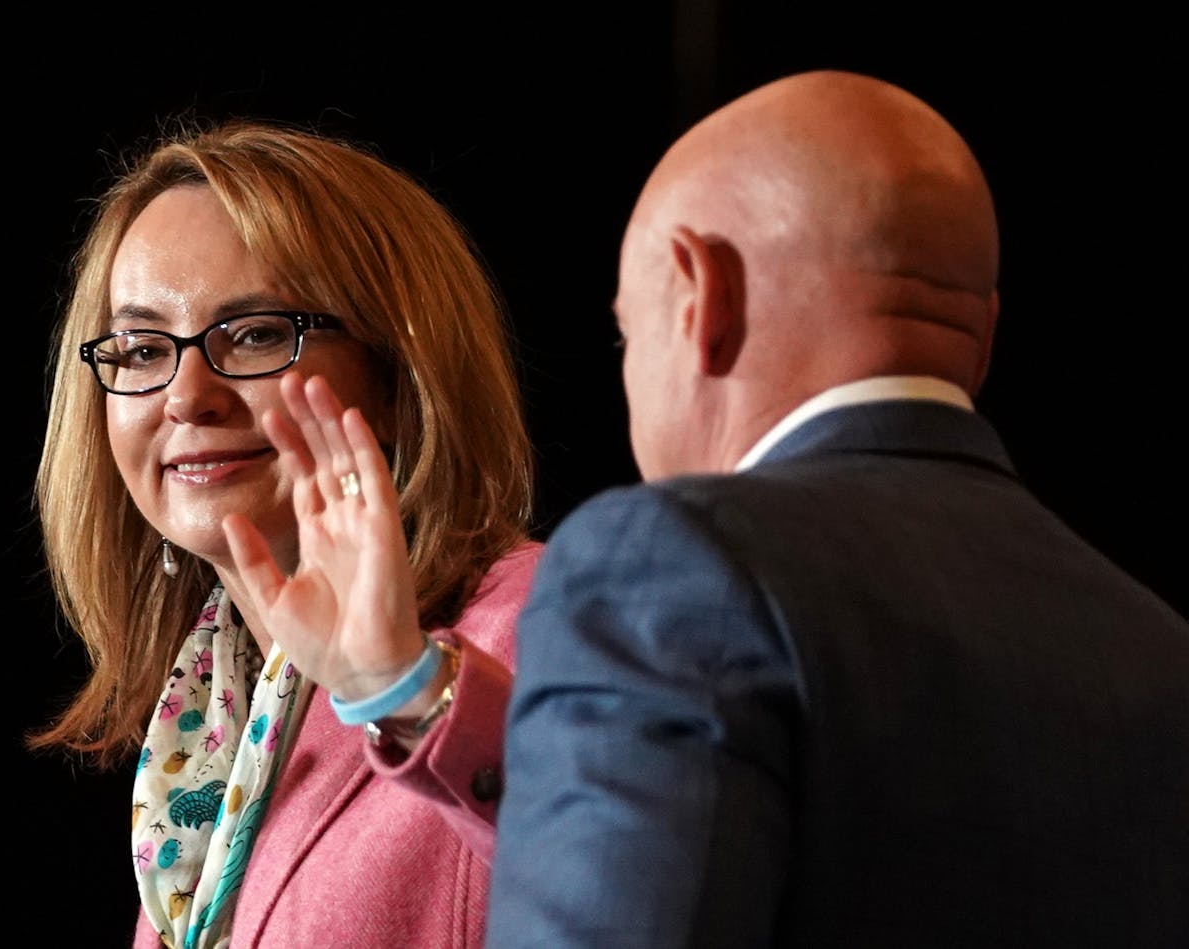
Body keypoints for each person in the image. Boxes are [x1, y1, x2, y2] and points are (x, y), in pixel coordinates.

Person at [487, 69, 1189, 948]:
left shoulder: (662, 565)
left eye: (630, 333)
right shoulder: (1155, 644)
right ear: (980, 335)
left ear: (700, 295)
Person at [27, 117, 542, 949]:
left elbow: (658, 879)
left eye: (258, 334)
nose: (188, 395)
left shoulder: (541, 627)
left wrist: (405, 687)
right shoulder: (209, 709)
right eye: (141, 347)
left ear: (398, 377)